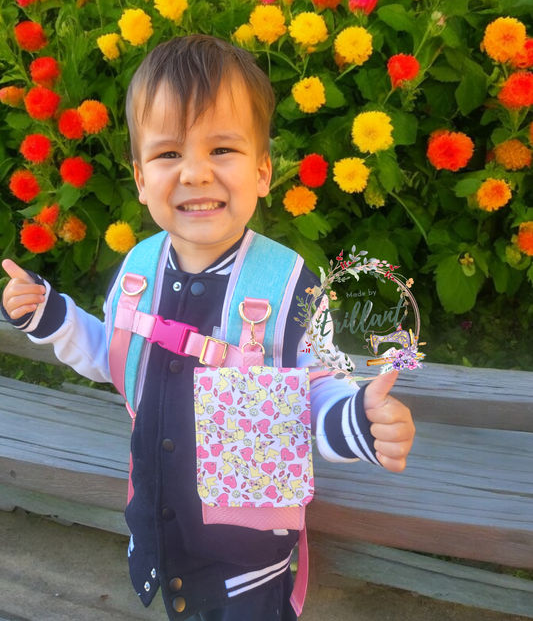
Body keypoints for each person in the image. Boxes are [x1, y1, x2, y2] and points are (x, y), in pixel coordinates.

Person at [1, 34, 415, 621]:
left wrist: (358, 422)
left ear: (263, 170)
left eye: (222, 148)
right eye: (169, 154)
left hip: (248, 556)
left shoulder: (289, 284)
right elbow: (113, 358)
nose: (195, 173)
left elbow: (318, 388)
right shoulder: (138, 270)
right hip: (160, 529)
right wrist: (53, 316)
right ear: (140, 179)